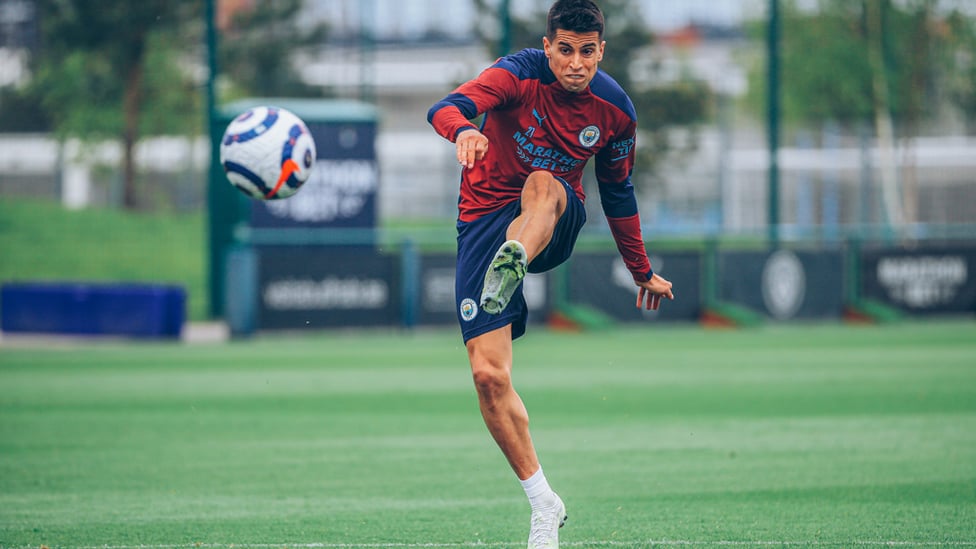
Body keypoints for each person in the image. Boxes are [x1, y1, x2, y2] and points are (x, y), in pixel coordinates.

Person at [427, 1, 674, 547]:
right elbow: (448, 106)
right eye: (565, 49)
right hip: (483, 222)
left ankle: (514, 259)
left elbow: (619, 191)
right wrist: (463, 131)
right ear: (548, 47)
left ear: (601, 51)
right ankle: (544, 501)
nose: (576, 63)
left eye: (587, 51)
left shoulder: (615, 110)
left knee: (544, 180)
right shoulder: (516, 75)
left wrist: (641, 270)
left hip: (552, 216)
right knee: (489, 377)